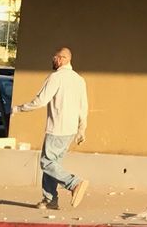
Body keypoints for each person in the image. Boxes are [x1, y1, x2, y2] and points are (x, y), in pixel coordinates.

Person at [15, 46, 90, 210]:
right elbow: (83, 107)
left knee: (46, 162)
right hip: (70, 130)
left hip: (57, 128)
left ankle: (74, 183)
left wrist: (18, 109)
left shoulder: (56, 77)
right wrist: (81, 129)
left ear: (63, 59)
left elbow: (40, 101)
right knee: (53, 164)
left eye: (55, 57)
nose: (53, 60)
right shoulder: (79, 80)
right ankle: (50, 200)